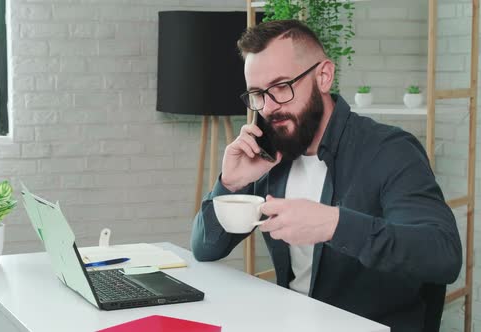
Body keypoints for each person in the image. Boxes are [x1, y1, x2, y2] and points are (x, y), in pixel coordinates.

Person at [190, 19, 462, 332]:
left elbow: (443, 254)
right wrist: (229, 184)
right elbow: (205, 248)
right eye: (257, 94)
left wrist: (334, 224)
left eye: (281, 87)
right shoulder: (270, 151)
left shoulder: (390, 150)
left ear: (324, 76)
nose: (268, 108)